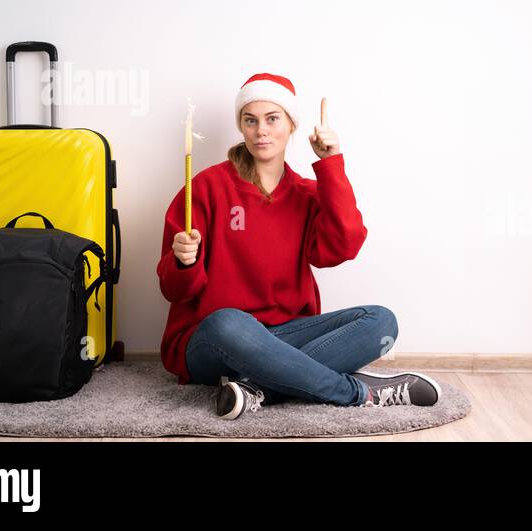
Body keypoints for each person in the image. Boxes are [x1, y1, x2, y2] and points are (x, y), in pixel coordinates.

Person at [156, 72, 440, 420]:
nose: (261, 130)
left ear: (290, 125)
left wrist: (330, 165)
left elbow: (343, 246)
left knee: (381, 321)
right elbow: (173, 289)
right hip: (213, 341)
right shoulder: (205, 187)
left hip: (285, 336)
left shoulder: (306, 194)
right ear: (241, 127)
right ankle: (357, 393)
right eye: (250, 120)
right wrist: (183, 262)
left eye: (272, 119)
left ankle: (258, 389)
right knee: (227, 323)